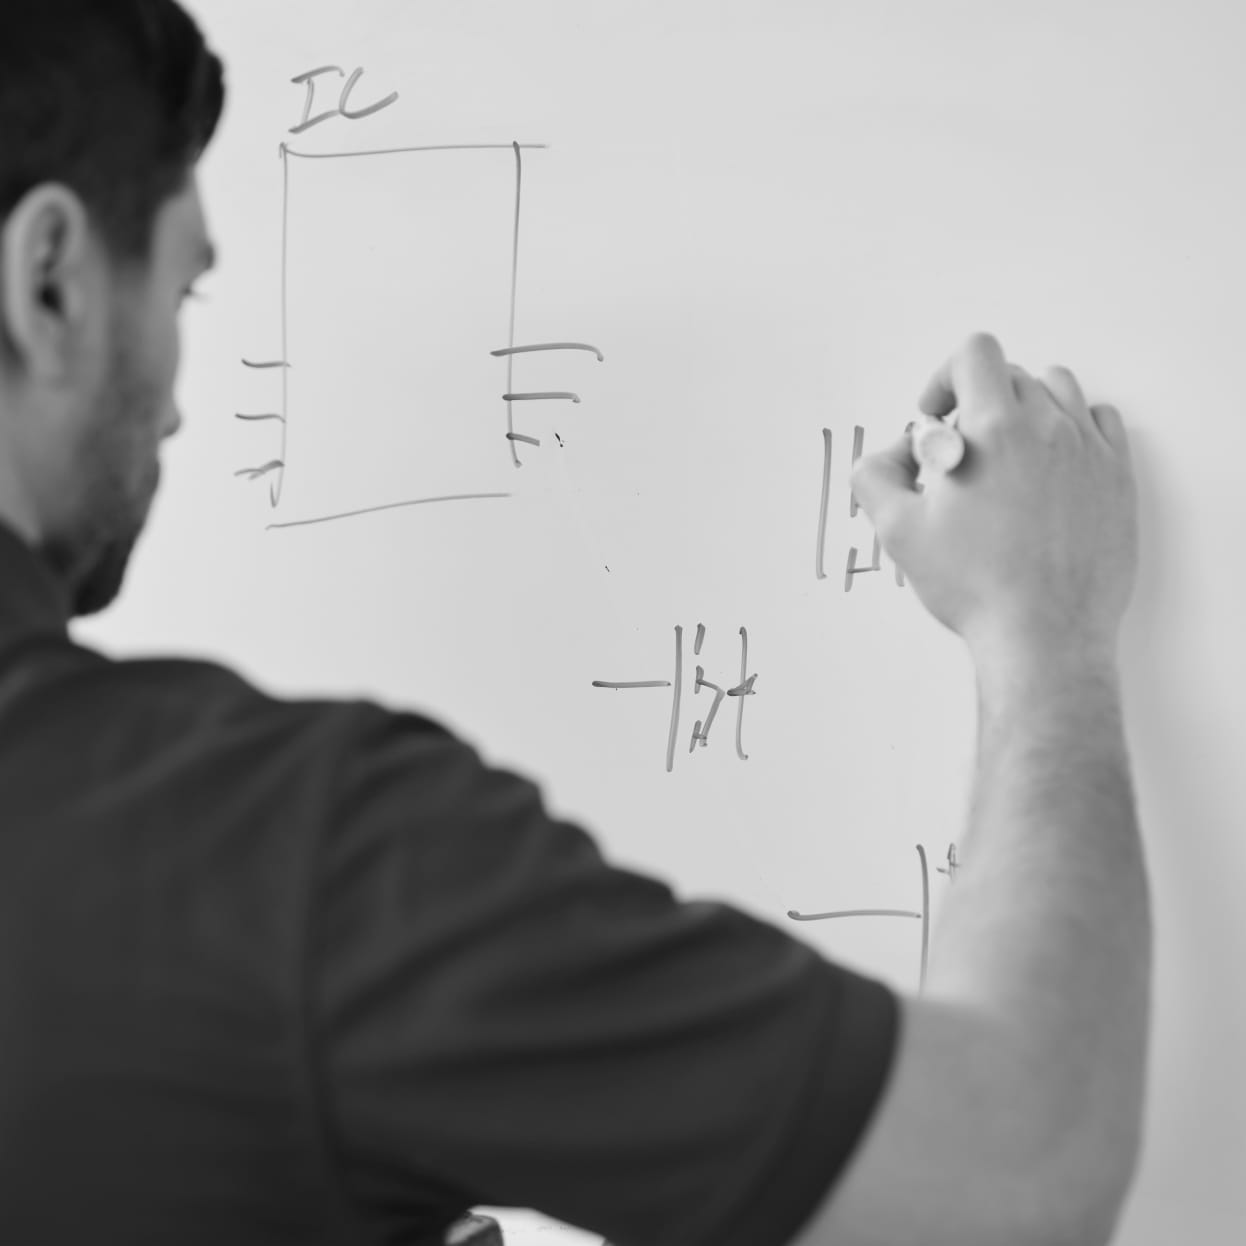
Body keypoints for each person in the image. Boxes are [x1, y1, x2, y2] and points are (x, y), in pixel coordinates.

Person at [0, 2, 1150, 1245]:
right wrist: (1043, 627)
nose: (179, 402)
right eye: (185, 290)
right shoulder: (282, 857)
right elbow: (1014, 1173)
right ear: (49, 281)